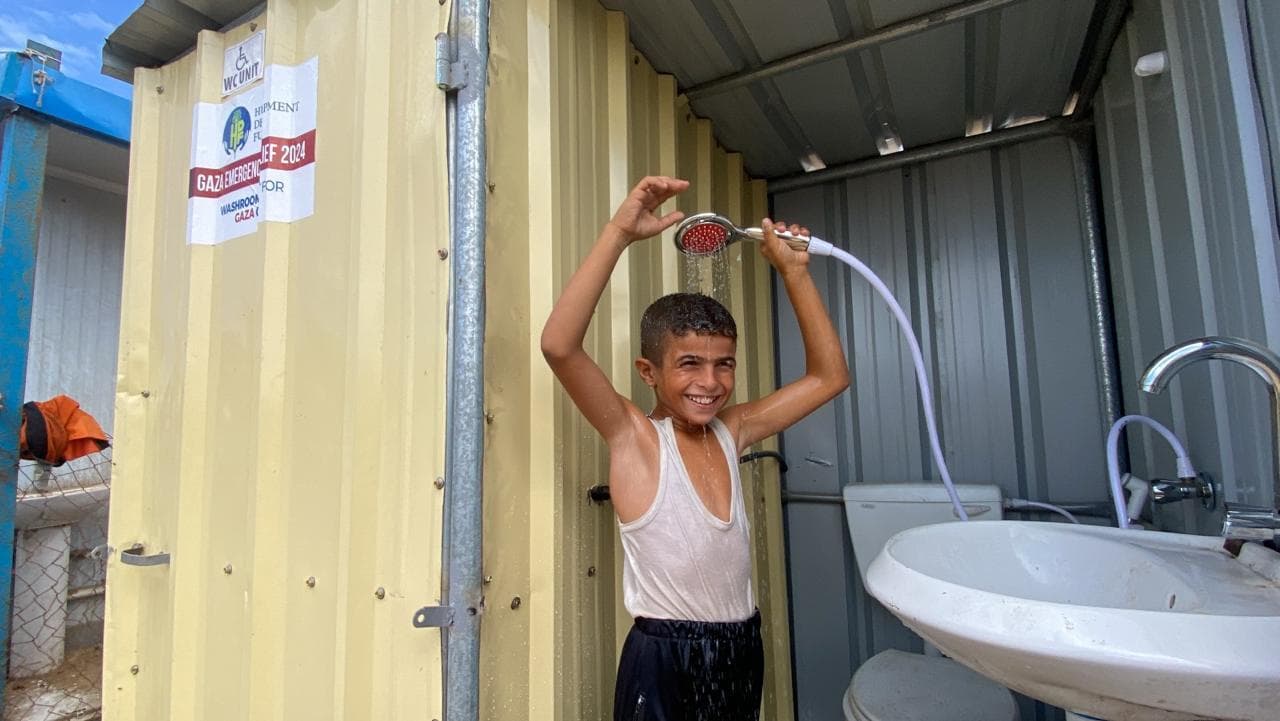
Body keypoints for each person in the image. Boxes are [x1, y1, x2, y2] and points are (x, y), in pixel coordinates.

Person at [540, 176, 850, 721]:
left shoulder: (734, 429)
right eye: (689, 364)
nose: (710, 382)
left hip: (740, 646)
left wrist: (795, 273)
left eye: (723, 364)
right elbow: (559, 346)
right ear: (649, 372)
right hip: (664, 656)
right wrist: (618, 233)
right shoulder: (635, 437)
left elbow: (829, 377)